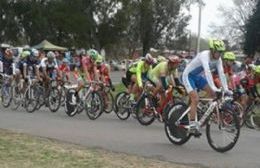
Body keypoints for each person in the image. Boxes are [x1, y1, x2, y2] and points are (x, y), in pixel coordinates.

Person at [182, 39, 232, 136]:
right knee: (195, 99)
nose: (219, 54)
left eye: (221, 52)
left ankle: (203, 113)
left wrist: (226, 89)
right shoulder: (204, 55)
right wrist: (214, 87)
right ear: (212, 50)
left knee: (213, 94)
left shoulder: (218, 59)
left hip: (196, 77)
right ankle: (192, 125)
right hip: (187, 75)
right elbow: (207, 72)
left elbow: (222, 74)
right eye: (218, 52)